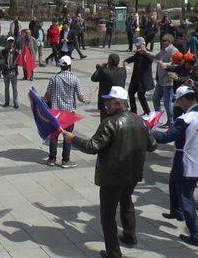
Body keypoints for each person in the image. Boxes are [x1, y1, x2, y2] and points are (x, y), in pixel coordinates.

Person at [63, 86, 156, 258]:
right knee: (127, 202)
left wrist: (72, 138)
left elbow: (92, 146)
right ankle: (130, 235)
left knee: (108, 214)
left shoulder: (110, 122)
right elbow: (153, 145)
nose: (105, 104)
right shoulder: (140, 120)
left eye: (109, 101)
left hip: (112, 176)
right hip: (133, 174)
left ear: (119, 103)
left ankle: (113, 253)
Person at [152, 86, 198, 248]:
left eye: (179, 100)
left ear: (187, 99)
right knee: (173, 182)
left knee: (186, 197)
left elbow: (165, 137)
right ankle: (176, 212)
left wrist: (150, 128)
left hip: (187, 160)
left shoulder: (187, 119)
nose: (178, 103)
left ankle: (197, 236)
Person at [44, 56, 89, 167]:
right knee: (68, 136)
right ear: (69, 66)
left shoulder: (54, 78)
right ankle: (65, 160)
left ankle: (52, 159)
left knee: (54, 136)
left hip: (55, 112)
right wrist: (86, 100)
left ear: (60, 66)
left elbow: (47, 95)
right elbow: (80, 96)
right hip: (69, 113)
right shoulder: (75, 79)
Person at [152, 34, 179, 126]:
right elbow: (155, 57)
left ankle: (171, 122)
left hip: (168, 79)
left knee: (167, 103)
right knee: (155, 99)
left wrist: (164, 64)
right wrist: (145, 52)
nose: (162, 42)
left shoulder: (174, 50)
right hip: (161, 79)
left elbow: (175, 63)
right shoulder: (163, 50)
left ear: (169, 41)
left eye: (164, 40)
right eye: (162, 40)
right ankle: (158, 119)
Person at [124, 37, 154, 116]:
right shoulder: (138, 54)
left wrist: (145, 53)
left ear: (144, 44)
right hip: (135, 79)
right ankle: (133, 111)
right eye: (137, 46)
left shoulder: (147, 54)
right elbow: (129, 59)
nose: (138, 48)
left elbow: (151, 60)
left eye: (139, 46)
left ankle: (147, 111)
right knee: (131, 93)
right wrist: (125, 63)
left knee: (141, 96)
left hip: (143, 80)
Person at [91, 54, 127, 121]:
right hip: (119, 100)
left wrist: (100, 67)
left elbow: (93, 78)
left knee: (105, 122)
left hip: (107, 102)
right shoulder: (123, 71)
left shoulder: (104, 71)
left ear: (109, 61)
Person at [1, 37, 19, 109]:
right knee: (6, 87)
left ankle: (15, 102)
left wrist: (14, 65)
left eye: (11, 42)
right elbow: (1, 60)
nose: (10, 43)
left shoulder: (16, 52)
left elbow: (18, 62)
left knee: (14, 88)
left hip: (13, 72)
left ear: (13, 43)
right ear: (7, 42)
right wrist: (5, 65)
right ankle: (7, 101)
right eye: (9, 42)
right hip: (6, 71)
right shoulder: (4, 51)